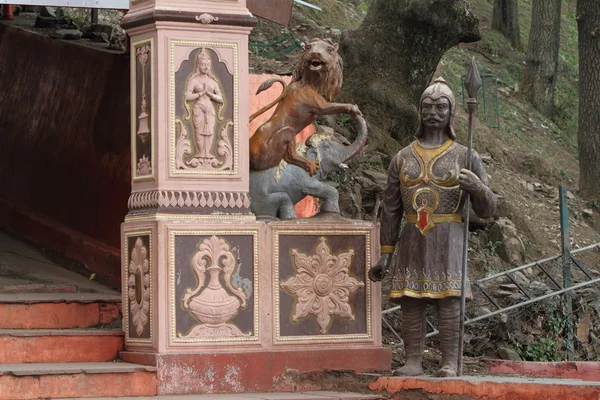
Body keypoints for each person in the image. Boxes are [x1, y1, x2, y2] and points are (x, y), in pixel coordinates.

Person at [369, 77, 496, 377]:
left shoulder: (467, 156)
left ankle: (449, 361)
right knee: (410, 299)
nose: (434, 112)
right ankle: (413, 359)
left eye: (441, 107)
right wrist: (385, 253)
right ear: (419, 111)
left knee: (449, 300)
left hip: (449, 235)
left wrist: (478, 188)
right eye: (427, 106)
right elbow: (390, 209)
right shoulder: (401, 158)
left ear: (451, 114)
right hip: (413, 235)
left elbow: (489, 209)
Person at [184, 48, 224, 159]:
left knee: (210, 131)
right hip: (199, 108)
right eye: (203, 64)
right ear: (198, 65)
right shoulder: (194, 80)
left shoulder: (212, 82)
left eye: (207, 65)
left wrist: (210, 95)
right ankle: (201, 152)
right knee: (199, 131)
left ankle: (208, 152)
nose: (206, 67)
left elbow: (220, 99)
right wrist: (200, 93)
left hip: (209, 108)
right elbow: (187, 96)